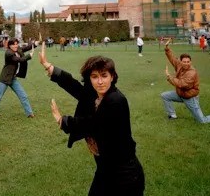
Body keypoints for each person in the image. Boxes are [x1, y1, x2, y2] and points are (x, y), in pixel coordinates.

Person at [38, 42, 144, 196]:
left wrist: (63, 121)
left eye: (104, 76)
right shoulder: (95, 95)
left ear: (112, 76)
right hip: (105, 169)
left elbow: (92, 124)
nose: (100, 81)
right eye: (94, 77)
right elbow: (74, 86)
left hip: (125, 174)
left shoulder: (116, 100)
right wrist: (49, 66)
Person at [161, 39, 210, 124]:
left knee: (202, 120)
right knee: (165, 96)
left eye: (188, 62)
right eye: (184, 62)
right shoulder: (180, 65)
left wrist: (169, 77)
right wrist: (167, 48)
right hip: (181, 94)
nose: (186, 63)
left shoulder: (192, 72)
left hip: (190, 97)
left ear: (190, 62)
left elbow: (181, 84)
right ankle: (172, 115)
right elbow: (172, 58)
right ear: (181, 62)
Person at [0, 38, 37, 119]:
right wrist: (29, 56)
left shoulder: (17, 49)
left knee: (23, 96)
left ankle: (29, 113)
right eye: (13, 44)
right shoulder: (8, 53)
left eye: (16, 44)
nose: (15, 46)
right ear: (9, 45)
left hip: (13, 78)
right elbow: (19, 60)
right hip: (5, 78)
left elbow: (25, 48)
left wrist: (35, 44)